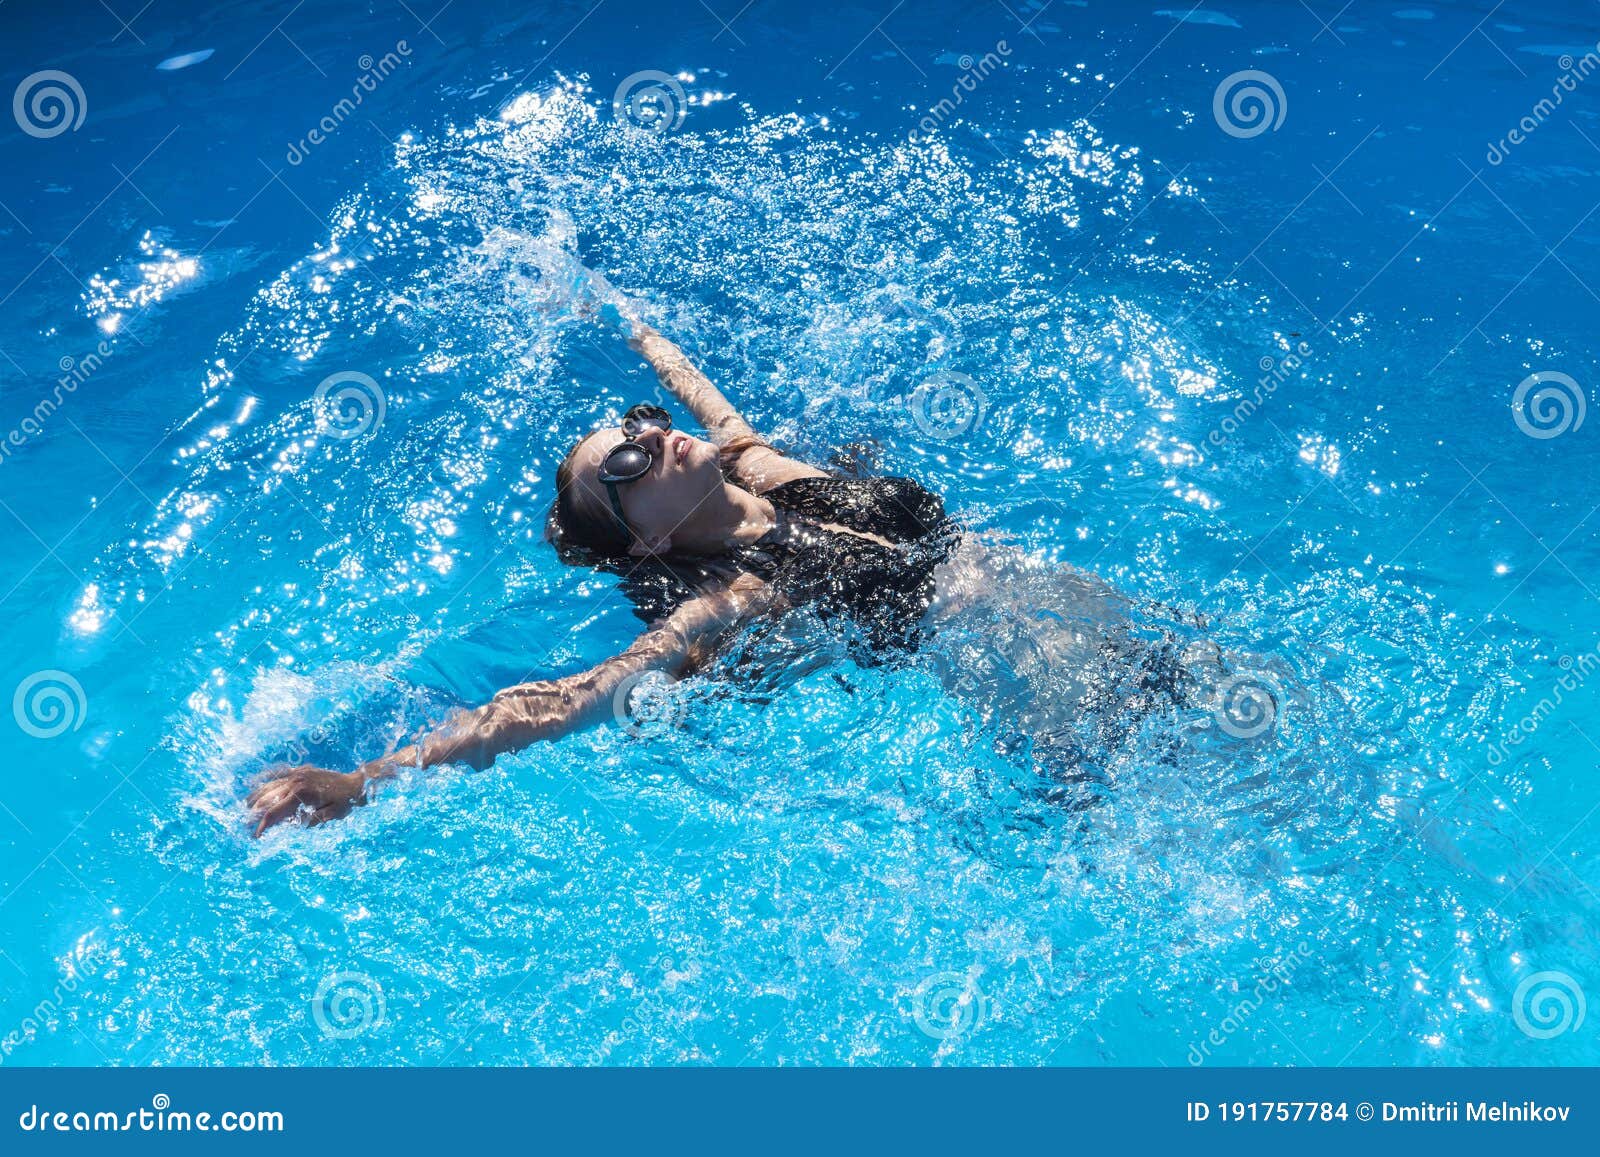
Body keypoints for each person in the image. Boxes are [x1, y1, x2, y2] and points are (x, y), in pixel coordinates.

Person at [248, 292, 959, 836]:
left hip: (1013, 580)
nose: (651, 440)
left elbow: (694, 388)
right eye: (627, 462)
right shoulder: (730, 597)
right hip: (992, 646)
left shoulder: (757, 465)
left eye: (636, 428)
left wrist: (626, 320)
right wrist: (364, 778)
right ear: (647, 541)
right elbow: (560, 702)